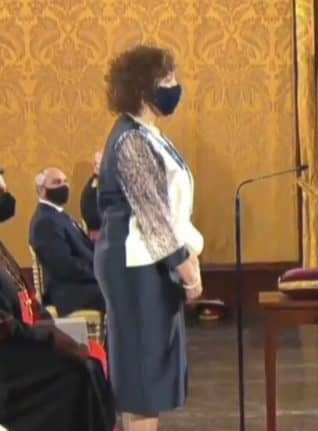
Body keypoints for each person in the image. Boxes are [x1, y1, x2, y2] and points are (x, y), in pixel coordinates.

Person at [96, 44, 204, 431]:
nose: (175, 87)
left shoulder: (145, 133)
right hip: (137, 268)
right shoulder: (131, 140)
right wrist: (188, 272)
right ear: (143, 88)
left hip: (146, 264)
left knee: (146, 375)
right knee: (143, 379)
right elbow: (155, 217)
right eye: (167, 80)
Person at [1, 197, 115, 430]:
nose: (7, 198)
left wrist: (49, 325)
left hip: (21, 343)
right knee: (78, 371)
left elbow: (26, 294)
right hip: (8, 363)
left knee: (89, 363)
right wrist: (51, 338)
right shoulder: (44, 222)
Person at [29, 167, 106, 315]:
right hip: (69, 292)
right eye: (57, 182)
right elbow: (64, 266)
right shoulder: (45, 222)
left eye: (65, 181)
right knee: (119, 291)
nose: (64, 186)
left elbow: (86, 248)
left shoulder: (59, 215)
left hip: (81, 283)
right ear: (41, 190)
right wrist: (98, 273)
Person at [81, 150, 103, 240]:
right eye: (95, 163)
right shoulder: (93, 182)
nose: (97, 166)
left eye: (100, 163)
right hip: (95, 235)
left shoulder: (111, 183)